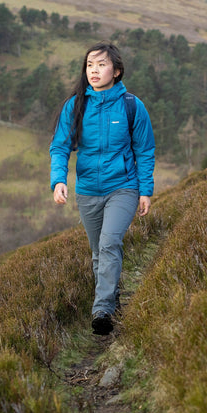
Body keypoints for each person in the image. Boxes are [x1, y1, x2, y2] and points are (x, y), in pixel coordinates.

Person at [49, 41, 155, 335]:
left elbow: (144, 150)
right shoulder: (75, 105)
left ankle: (102, 310)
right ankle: (112, 301)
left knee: (109, 243)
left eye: (102, 65)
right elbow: (60, 147)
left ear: (117, 71)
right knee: (99, 252)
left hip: (123, 187)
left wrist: (145, 190)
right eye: (89, 65)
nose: (94, 71)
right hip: (87, 191)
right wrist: (59, 180)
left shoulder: (133, 106)